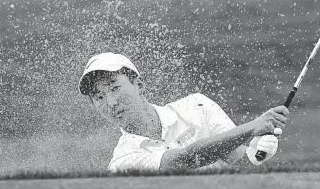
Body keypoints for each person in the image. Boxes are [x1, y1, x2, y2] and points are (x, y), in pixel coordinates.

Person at [78, 52, 289, 172]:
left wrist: (258, 152)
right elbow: (186, 159)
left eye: (115, 88)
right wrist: (251, 128)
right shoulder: (122, 162)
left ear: (139, 85)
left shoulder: (197, 106)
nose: (111, 102)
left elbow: (239, 161)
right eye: (99, 97)